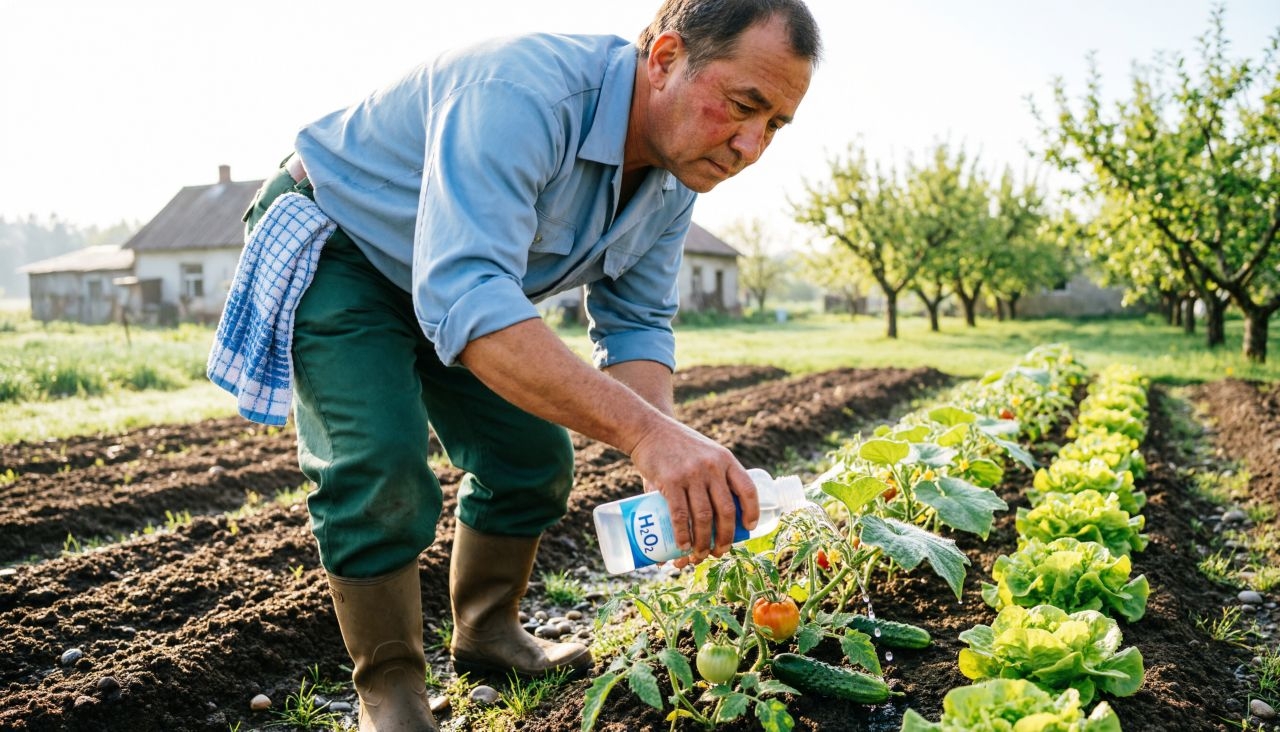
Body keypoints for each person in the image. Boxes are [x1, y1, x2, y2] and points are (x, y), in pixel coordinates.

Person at [240, 1, 819, 729]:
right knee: (378, 464)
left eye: (775, 126)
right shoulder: (522, 95)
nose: (750, 146)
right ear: (666, 58)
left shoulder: (675, 176)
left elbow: (635, 323)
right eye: (743, 107)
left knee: (532, 456)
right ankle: (390, 689)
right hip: (347, 246)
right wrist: (648, 437)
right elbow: (470, 298)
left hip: (459, 281)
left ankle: (488, 633)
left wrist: (667, 466)